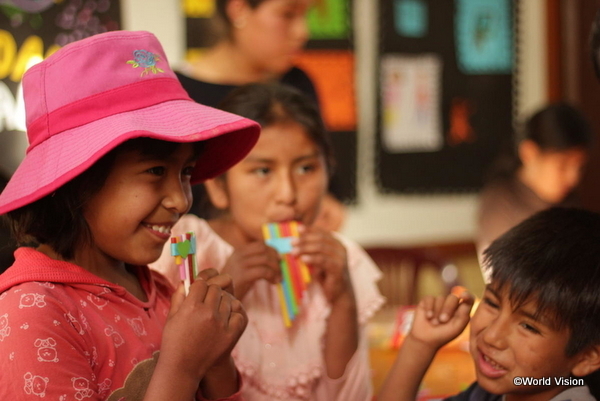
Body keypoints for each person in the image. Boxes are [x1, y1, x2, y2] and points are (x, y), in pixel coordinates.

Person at [0, 30, 262, 400]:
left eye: (186, 172)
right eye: (156, 171)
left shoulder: (160, 290)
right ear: (78, 181)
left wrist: (216, 359)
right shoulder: (34, 312)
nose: (180, 200)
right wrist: (183, 366)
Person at [151, 83, 385, 401]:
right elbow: (160, 379)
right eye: (263, 170)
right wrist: (227, 294)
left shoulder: (344, 260)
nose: (288, 194)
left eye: (306, 168)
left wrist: (343, 300)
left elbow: (349, 395)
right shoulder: (186, 250)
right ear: (219, 187)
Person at [380, 207, 600, 401]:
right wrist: (419, 345)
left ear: (586, 357)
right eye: (493, 304)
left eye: (528, 326)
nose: (491, 336)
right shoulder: (491, 393)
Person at [476, 102, 594, 276]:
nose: (573, 178)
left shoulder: (570, 200)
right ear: (529, 152)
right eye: (562, 165)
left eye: (579, 167)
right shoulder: (500, 206)